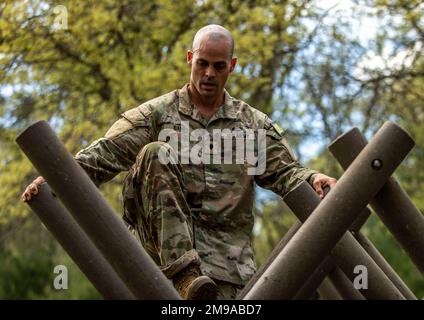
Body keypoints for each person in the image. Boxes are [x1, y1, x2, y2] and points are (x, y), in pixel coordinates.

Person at [22, 24, 337, 300]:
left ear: (232, 66)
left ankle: (195, 280)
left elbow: (285, 171)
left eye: (218, 65)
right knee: (156, 152)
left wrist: (313, 179)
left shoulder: (251, 125)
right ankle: (184, 272)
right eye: (202, 63)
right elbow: (103, 156)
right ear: (190, 59)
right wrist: (55, 178)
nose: (209, 73)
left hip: (227, 272)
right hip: (157, 269)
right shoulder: (158, 114)